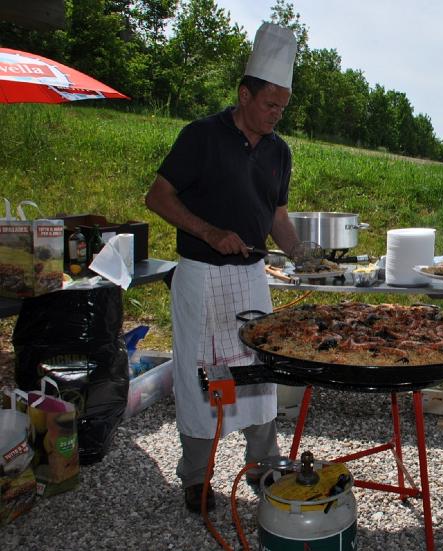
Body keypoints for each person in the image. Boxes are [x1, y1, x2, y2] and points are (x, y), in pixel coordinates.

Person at [144, 23, 302, 513]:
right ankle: (196, 477)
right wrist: (210, 232)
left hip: (252, 277)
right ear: (243, 94)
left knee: (259, 371)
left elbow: (276, 216)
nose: (276, 114)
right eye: (269, 104)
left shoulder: (279, 151)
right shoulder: (202, 136)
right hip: (201, 273)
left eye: (282, 107)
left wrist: (303, 256)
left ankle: (263, 466)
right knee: (201, 376)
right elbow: (158, 197)